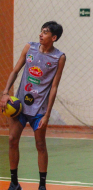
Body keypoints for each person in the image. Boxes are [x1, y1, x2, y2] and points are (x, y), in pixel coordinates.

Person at [0, 21, 66, 190]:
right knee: (13, 140)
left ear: (54, 37)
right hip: (20, 106)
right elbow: (15, 71)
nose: (40, 35)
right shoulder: (29, 48)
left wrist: (47, 114)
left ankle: (42, 186)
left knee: (40, 145)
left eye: (45, 33)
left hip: (39, 109)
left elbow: (54, 87)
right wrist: (6, 92)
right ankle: (14, 183)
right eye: (41, 31)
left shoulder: (59, 57)